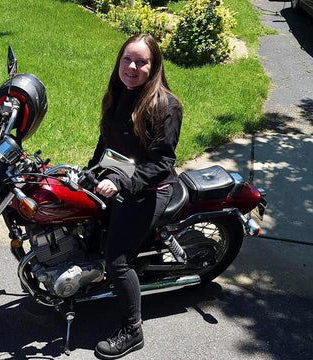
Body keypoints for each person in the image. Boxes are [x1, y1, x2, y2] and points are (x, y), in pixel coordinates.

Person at [87, 34, 183, 359]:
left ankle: (133, 330)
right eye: (127, 59)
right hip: (121, 177)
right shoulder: (118, 93)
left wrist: (122, 182)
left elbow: (161, 163)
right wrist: (87, 173)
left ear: (153, 66)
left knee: (117, 260)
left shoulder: (165, 105)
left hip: (149, 189)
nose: (132, 67)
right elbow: (107, 145)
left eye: (141, 62)